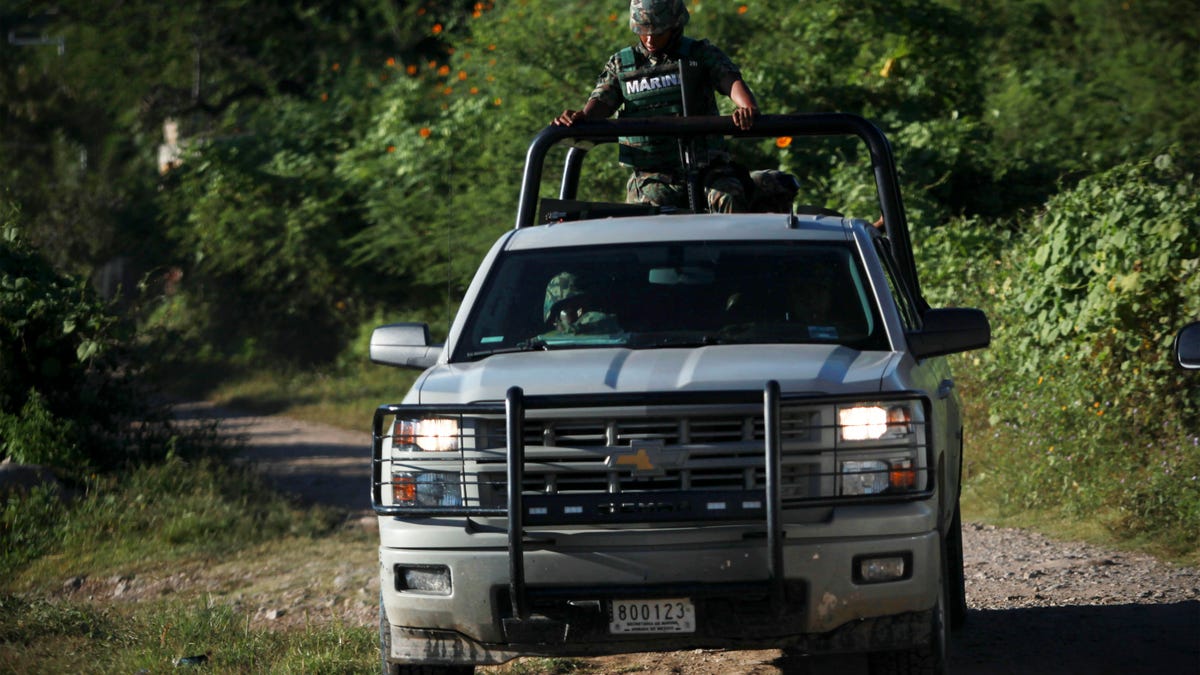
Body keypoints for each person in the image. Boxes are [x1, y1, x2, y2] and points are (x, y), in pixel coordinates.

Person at [554, 0, 759, 213]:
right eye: (643, 31)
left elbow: (729, 80)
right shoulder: (622, 65)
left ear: (675, 27)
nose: (650, 39)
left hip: (707, 169)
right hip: (651, 176)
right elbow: (601, 102)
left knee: (729, 196)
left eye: (658, 32)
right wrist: (582, 117)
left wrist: (747, 107)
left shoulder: (700, 54)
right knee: (648, 214)